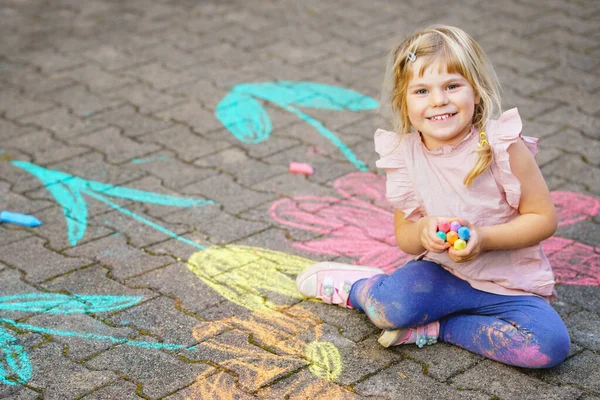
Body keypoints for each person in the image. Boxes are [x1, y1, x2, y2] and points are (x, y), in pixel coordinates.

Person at [295, 25, 570, 369]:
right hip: (443, 277)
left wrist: (484, 238)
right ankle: (359, 288)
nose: (439, 100)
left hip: (507, 286)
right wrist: (423, 229)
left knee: (547, 346)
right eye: (422, 90)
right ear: (403, 101)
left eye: (452, 86)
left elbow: (544, 218)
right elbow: (406, 238)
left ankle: (438, 327)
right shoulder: (404, 156)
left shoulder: (501, 146)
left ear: (477, 91)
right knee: (389, 310)